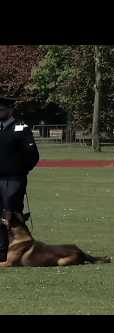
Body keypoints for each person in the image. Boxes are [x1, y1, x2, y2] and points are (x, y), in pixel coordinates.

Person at [0, 95, 39, 261]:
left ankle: (15, 249)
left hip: (13, 179)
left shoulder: (21, 127)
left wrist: (21, 170)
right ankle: (1, 249)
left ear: (10, 110)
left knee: (12, 214)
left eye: (1, 109)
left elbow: (32, 155)